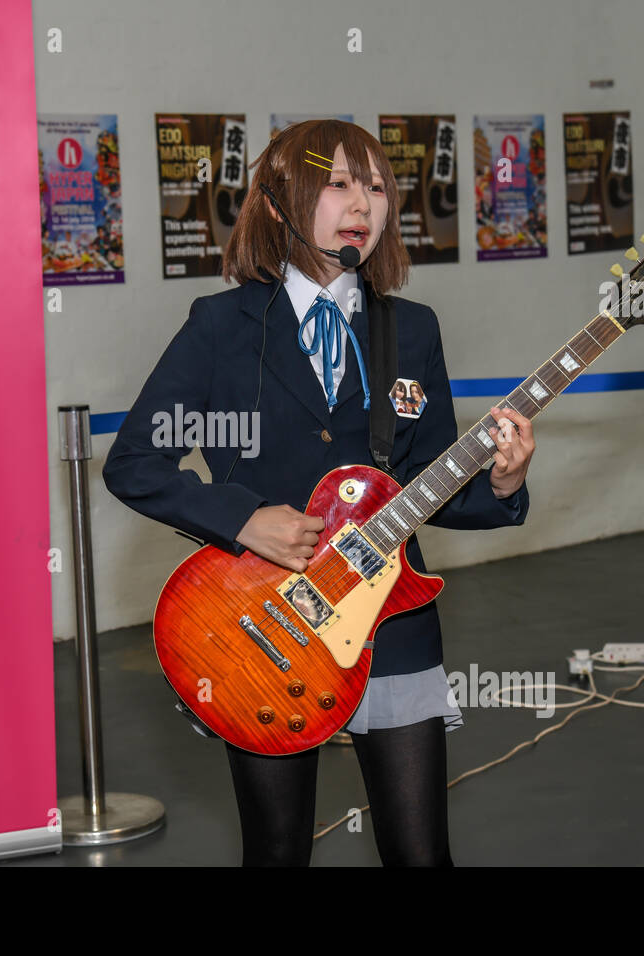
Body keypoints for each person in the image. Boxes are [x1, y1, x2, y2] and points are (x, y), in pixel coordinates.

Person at [103, 119, 535, 867]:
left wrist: (503, 480)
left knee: (422, 854)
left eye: (374, 185)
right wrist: (243, 520)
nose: (360, 202)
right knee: (276, 853)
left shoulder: (413, 331)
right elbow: (135, 461)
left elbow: (429, 482)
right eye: (336, 182)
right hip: (260, 626)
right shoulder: (220, 327)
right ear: (280, 203)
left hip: (391, 625)